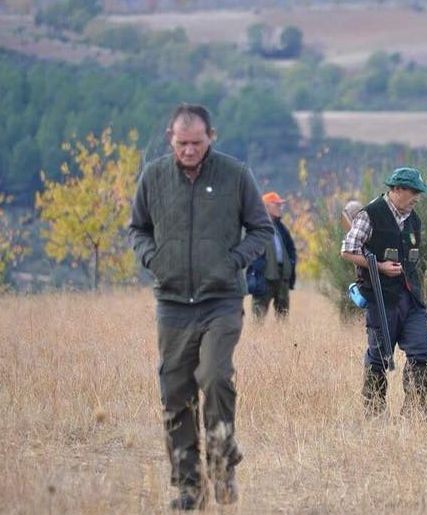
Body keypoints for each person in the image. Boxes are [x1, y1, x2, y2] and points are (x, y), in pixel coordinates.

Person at [129, 104, 274, 510]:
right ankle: (188, 486)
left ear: (211, 136)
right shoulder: (154, 177)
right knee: (175, 394)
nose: (189, 151)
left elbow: (261, 228)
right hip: (172, 302)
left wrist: (232, 261)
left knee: (214, 378)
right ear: (169, 139)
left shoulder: (234, 175)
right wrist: (153, 258)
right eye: (181, 143)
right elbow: (137, 227)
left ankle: (223, 469)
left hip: (221, 299)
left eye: (196, 142)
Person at [340, 167, 427, 420]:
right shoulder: (370, 215)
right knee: (379, 357)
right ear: (397, 189)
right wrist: (378, 266)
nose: (417, 198)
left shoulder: (414, 220)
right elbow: (347, 251)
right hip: (380, 298)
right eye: (414, 192)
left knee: (420, 352)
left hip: (411, 299)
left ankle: (414, 412)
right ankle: (374, 415)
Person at [250, 192, 297, 320]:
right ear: (266, 207)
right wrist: (260, 270)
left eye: (280, 205)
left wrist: (291, 264)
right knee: (258, 315)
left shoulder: (281, 228)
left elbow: (291, 249)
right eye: (277, 204)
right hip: (264, 277)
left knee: (283, 315)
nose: (280, 207)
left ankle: (281, 339)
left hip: (281, 276)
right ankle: (256, 339)